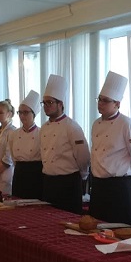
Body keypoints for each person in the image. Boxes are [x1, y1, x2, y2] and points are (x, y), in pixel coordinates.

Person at [89, 71, 131, 225]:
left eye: (105, 101)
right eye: (99, 99)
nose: (100, 103)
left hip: (120, 187)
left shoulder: (127, 124)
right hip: (99, 186)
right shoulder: (96, 124)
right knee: (96, 230)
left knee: (121, 230)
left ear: (117, 104)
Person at [40, 74, 90, 213]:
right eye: (44, 103)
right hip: (48, 182)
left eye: (50, 102)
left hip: (68, 183)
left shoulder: (71, 126)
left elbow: (83, 156)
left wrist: (83, 175)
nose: (46, 106)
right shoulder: (43, 128)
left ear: (60, 104)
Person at [9, 90, 43, 199]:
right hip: (19, 172)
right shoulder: (14, 134)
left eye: (26, 112)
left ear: (33, 114)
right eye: (20, 112)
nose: (22, 115)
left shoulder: (41, 133)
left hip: (36, 173)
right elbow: (13, 156)